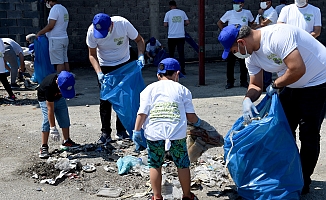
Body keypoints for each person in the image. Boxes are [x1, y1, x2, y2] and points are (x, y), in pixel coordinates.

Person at [218, 24, 326, 195]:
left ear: (241, 43)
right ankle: (286, 175)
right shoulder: (251, 56)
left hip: (317, 81)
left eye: (233, 50)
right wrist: (247, 99)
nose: (234, 54)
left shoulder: (277, 36)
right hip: (290, 83)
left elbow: (298, 68)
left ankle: (303, 181)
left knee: (308, 134)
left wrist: (275, 84)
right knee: (281, 130)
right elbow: (255, 84)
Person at [133, 58, 199, 200]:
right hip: (177, 133)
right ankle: (187, 196)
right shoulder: (183, 90)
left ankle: (157, 196)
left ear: (158, 75)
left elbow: (142, 113)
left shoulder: (148, 89)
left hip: (154, 133)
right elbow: (191, 116)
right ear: (177, 74)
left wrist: (136, 131)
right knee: (182, 164)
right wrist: (199, 124)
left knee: (155, 164)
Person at [86, 13, 145, 144]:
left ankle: (121, 130)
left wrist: (141, 55)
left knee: (124, 98)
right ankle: (105, 132)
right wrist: (99, 73)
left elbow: (139, 40)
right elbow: (92, 54)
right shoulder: (91, 31)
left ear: (111, 25)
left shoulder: (122, 24)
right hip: (105, 67)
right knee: (105, 100)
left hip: (124, 64)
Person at [37, 71, 80, 158]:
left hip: (59, 99)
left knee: (64, 117)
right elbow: (50, 110)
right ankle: (44, 146)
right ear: (58, 83)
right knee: (47, 121)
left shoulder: (68, 80)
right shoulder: (49, 86)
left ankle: (66, 141)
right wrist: (53, 128)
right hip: (45, 99)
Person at [217, 0, 254, 89]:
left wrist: (249, 33)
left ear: (242, 4)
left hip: (242, 41)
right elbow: (220, 22)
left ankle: (244, 81)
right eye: (234, 3)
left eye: (238, 3)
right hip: (232, 41)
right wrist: (225, 32)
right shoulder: (229, 13)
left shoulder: (247, 13)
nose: (236, 5)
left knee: (243, 63)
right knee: (230, 63)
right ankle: (230, 82)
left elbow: (253, 23)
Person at [36, 0, 70, 72]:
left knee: (59, 62)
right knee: (64, 60)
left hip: (56, 39)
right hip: (64, 37)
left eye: (46, 1)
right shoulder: (64, 9)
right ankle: (68, 77)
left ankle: (61, 80)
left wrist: (39, 33)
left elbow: (51, 26)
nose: (46, 3)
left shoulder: (55, 9)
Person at [251, 0, 278, 91]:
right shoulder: (261, 12)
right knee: (260, 61)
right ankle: (261, 83)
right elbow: (254, 25)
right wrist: (259, 18)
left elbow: (263, 23)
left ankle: (267, 83)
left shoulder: (272, 12)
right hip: (259, 38)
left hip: (269, 39)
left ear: (269, 2)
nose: (261, 2)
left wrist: (260, 15)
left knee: (267, 61)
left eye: (263, 1)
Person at [164, 0, 189, 75]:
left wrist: (171, 25)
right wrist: (182, 24)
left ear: (170, 6)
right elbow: (187, 22)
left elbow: (165, 24)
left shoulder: (168, 13)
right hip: (181, 35)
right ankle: (182, 69)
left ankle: (171, 70)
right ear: (176, 5)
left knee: (171, 54)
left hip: (171, 36)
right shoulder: (182, 12)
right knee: (181, 53)